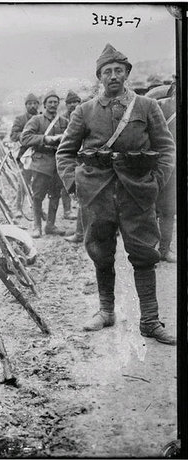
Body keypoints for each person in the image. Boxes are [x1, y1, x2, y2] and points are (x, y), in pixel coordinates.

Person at [56, 44, 176, 345]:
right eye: (107, 72)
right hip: (97, 194)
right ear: (99, 77)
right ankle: (106, 310)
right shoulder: (84, 111)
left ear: (127, 74)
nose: (113, 76)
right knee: (100, 252)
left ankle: (149, 320)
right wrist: (76, 186)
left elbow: (165, 148)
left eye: (118, 71)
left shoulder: (147, 107)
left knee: (145, 254)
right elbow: (65, 153)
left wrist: (156, 183)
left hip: (137, 193)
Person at [20, 90, 69, 238]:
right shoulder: (36, 120)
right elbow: (25, 138)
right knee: (38, 195)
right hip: (41, 162)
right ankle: (37, 227)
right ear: (45, 104)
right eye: (50, 102)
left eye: (55, 102)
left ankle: (50, 225)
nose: (53, 105)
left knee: (56, 195)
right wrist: (47, 139)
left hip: (58, 162)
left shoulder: (64, 122)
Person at [147, 82, 177, 263]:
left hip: (175, 167)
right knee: (150, 209)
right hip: (155, 164)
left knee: (169, 209)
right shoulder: (159, 105)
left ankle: (165, 249)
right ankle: (150, 251)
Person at [10, 93, 40, 218]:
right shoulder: (20, 119)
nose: (32, 106)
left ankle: (38, 211)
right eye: (29, 104)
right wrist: (28, 136)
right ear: (26, 105)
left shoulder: (42, 118)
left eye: (34, 103)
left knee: (39, 184)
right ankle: (18, 208)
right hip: (24, 155)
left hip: (39, 154)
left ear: (38, 104)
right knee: (23, 182)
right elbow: (13, 136)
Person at [60, 90, 82, 221]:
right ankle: (67, 210)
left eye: (76, 102)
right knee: (65, 183)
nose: (73, 104)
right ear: (66, 105)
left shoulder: (84, 115)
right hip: (67, 153)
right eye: (70, 103)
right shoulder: (62, 119)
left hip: (81, 154)